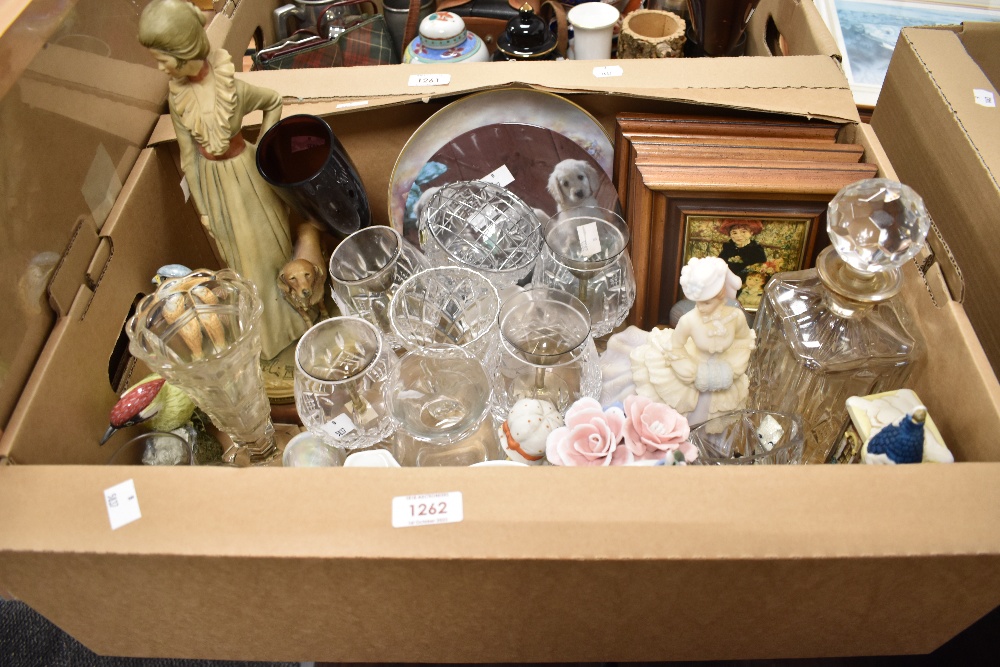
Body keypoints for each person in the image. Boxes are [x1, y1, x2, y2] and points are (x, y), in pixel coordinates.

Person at [139, 0, 307, 360]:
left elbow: (273, 100)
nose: (159, 67)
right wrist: (203, 208)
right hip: (216, 187)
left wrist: (265, 148)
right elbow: (189, 158)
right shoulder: (177, 95)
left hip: (247, 174)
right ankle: (266, 339)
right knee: (241, 264)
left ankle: (294, 324)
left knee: (271, 253)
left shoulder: (229, 86)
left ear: (183, 48)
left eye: (162, 57)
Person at [631, 257, 755, 424]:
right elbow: (675, 347)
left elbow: (743, 340)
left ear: (721, 297)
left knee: (718, 421)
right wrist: (686, 369)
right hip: (695, 372)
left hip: (725, 373)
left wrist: (735, 366)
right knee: (687, 417)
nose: (700, 308)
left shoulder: (736, 317)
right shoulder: (689, 320)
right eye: (697, 302)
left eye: (706, 303)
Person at [716, 218, 767, 287]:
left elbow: (758, 272)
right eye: (734, 232)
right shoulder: (728, 248)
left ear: (751, 233)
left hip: (747, 284)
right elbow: (720, 263)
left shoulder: (756, 250)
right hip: (726, 282)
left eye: (743, 232)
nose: (738, 236)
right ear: (730, 234)